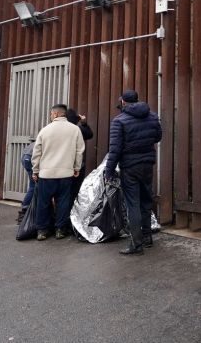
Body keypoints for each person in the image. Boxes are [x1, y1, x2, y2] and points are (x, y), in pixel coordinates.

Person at [105, 90, 162, 256]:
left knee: (133, 204)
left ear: (123, 102)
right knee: (146, 201)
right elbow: (157, 136)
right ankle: (147, 238)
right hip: (147, 164)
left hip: (130, 166)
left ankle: (136, 244)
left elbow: (114, 149)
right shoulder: (152, 116)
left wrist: (109, 171)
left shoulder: (119, 121)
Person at [31, 104, 85, 241]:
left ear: (55, 114)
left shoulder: (44, 130)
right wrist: (76, 168)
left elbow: (37, 153)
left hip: (46, 174)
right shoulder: (75, 130)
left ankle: (42, 231)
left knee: (43, 203)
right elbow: (80, 151)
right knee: (63, 202)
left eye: (50, 114)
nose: (50, 116)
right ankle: (60, 229)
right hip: (66, 173)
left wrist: (35, 170)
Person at [65, 108, 94, 211]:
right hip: (76, 166)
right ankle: (70, 216)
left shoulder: (57, 128)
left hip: (61, 166)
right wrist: (84, 123)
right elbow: (90, 134)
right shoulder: (78, 129)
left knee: (62, 194)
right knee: (74, 192)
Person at [16, 138, 36, 224]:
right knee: (34, 186)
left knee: (33, 185)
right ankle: (24, 211)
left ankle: (26, 210)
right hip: (31, 157)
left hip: (26, 156)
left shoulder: (44, 134)